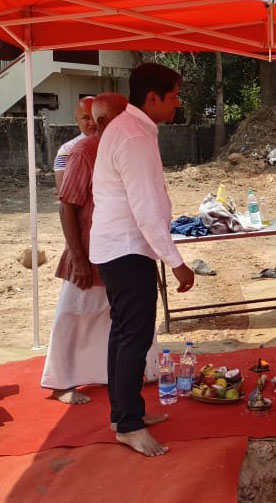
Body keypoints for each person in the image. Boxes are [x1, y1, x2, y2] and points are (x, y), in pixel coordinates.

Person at [91, 63, 194, 457]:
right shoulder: (133, 136)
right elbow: (146, 209)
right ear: (152, 98)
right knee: (132, 336)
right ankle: (128, 426)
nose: (177, 103)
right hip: (128, 248)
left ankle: (125, 413)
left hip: (119, 247)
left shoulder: (128, 129)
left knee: (123, 334)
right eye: (173, 96)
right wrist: (175, 260)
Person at [41, 93, 156, 405]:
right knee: (73, 314)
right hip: (90, 247)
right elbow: (68, 205)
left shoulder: (125, 143)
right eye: (86, 118)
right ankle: (61, 381)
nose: (92, 123)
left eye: (97, 117)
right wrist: (78, 257)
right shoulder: (78, 151)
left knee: (120, 320)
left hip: (123, 249)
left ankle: (122, 380)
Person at [53, 96, 95, 191]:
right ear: (77, 119)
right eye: (86, 118)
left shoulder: (112, 145)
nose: (92, 122)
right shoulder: (67, 150)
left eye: (95, 117)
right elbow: (64, 193)